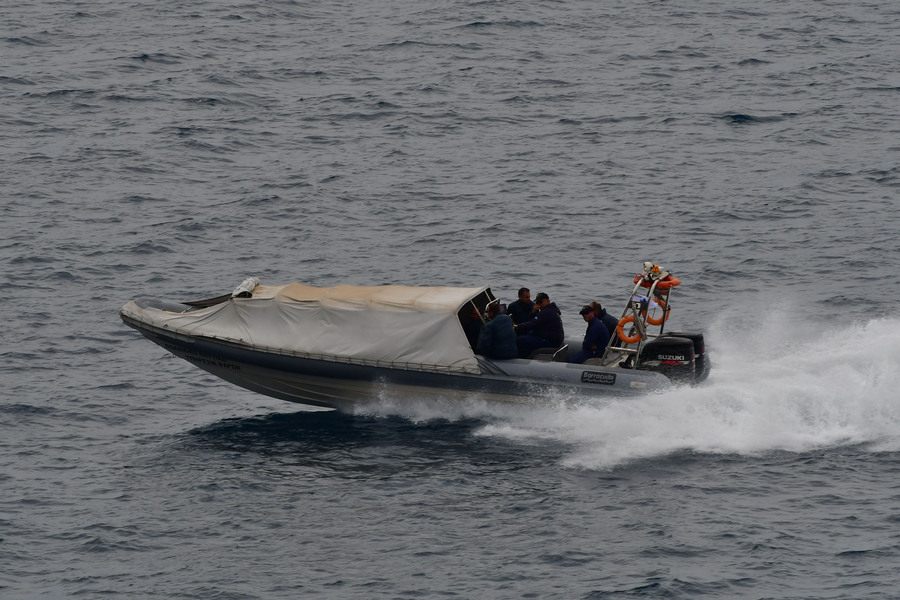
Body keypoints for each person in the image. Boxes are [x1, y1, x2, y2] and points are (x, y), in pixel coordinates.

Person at [514, 292, 565, 358]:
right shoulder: (550, 310)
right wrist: (533, 312)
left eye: (540, 302)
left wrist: (517, 326)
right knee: (528, 333)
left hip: (551, 341)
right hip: (551, 337)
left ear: (548, 301)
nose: (538, 304)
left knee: (521, 340)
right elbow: (535, 322)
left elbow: (532, 323)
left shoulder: (547, 312)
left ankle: (522, 358)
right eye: (537, 302)